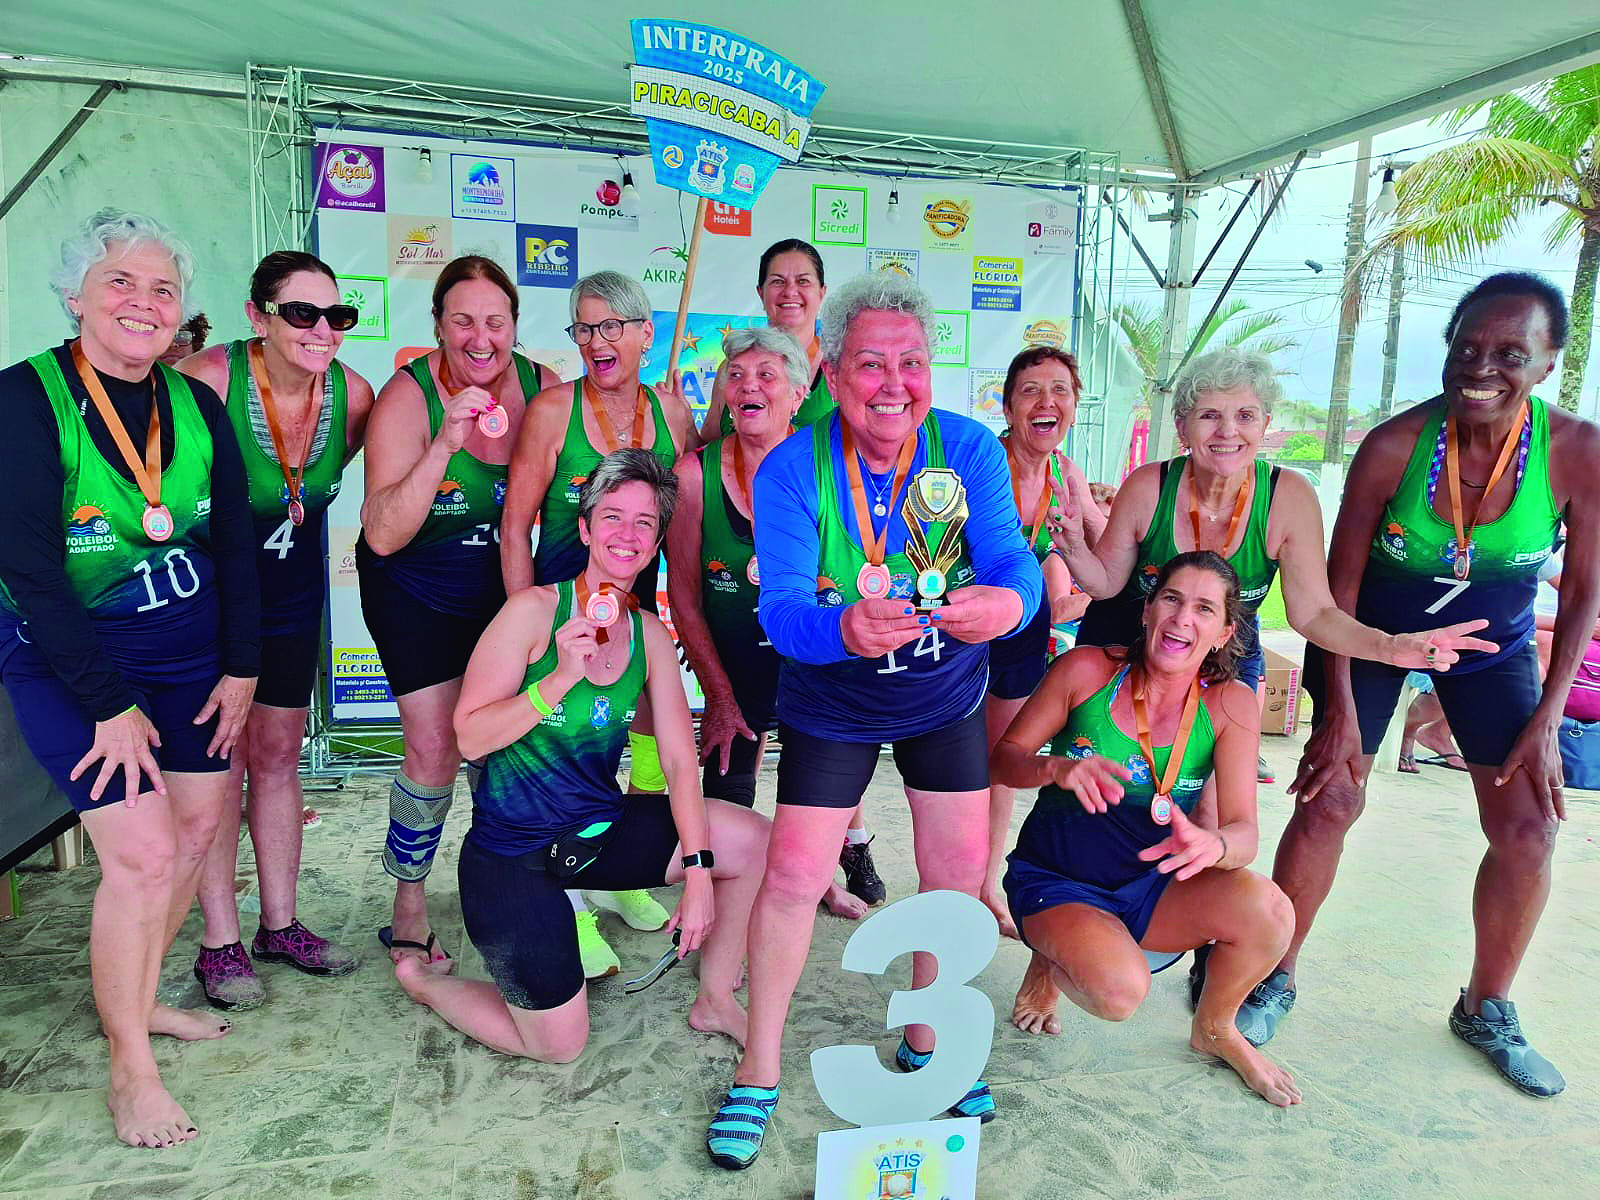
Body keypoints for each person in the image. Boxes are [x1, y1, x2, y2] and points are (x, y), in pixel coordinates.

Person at [706, 274, 1043, 1170]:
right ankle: (759, 1068)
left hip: (945, 696)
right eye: (869, 364)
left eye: (911, 362)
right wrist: (843, 629)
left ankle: (930, 1047)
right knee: (792, 878)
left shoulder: (967, 448)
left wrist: (1008, 605)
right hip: (833, 699)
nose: (893, 383)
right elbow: (781, 612)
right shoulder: (793, 467)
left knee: (954, 878)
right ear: (831, 371)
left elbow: (1014, 562)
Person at [1274, 273, 1600, 1097]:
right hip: (1374, 638)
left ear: (1548, 364)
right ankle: (1267, 973)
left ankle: (1486, 1007)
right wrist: (1338, 716)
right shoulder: (1395, 445)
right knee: (1330, 798)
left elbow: (1585, 591)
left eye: (1511, 354)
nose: (1482, 367)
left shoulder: (1577, 452)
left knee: (1529, 827)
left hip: (1493, 650)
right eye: (1467, 348)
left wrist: (1547, 719)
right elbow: (1338, 589)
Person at [0, 209, 259, 1147]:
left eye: (163, 288)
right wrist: (107, 703)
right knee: (143, 855)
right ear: (75, 296)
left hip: (189, 655)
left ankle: (140, 999)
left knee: (192, 838)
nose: (143, 303)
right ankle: (129, 1070)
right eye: (120, 281)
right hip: (68, 658)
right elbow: (30, 572)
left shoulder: (196, 405)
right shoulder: (24, 399)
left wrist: (242, 666)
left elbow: (234, 541)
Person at [397, 449, 770, 1063]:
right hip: (511, 856)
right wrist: (558, 679)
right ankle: (425, 982)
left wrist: (700, 875)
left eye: (645, 522)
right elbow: (470, 738)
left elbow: (680, 765)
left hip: (597, 831)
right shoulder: (532, 612)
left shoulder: (650, 635)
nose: (628, 534)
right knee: (559, 1046)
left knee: (753, 840)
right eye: (613, 517)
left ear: (656, 543)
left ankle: (715, 998)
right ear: (587, 528)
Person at [1053, 347, 1493, 782]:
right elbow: (1106, 584)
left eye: (1245, 415)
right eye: (1209, 415)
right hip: (1128, 642)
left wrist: (1391, 648)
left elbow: (1314, 614)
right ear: (1182, 426)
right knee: (1096, 785)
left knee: (1213, 795)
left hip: (1223, 651)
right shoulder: (1149, 485)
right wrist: (1072, 546)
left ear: (1265, 424)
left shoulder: (1288, 496)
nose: (1228, 431)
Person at [991, 552, 1301, 1106]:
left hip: (1154, 884)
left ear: (1224, 633)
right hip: (1059, 880)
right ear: (1147, 611)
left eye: (1204, 609)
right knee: (1118, 994)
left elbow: (1245, 835)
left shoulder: (1231, 704)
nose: (1183, 618)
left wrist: (1213, 844)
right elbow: (1002, 760)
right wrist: (1056, 769)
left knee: (1272, 912)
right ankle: (1052, 955)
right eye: (1172, 599)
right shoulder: (1086, 671)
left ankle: (1215, 1029)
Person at [178, 252, 375, 1008]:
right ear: (258, 317)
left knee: (279, 755)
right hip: (213, 600)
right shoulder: (208, 380)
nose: (322, 329)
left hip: (292, 595)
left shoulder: (352, 394)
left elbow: (324, 485)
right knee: (218, 763)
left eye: (337, 315)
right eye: (301, 313)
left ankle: (280, 925)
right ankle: (219, 940)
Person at [501, 271, 699, 977]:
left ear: (646, 334)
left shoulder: (672, 412)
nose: (596, 340)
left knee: (647, 747)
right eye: (583, 327)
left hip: (636, 623)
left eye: (611, 325)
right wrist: (527, 628)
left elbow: (682, 525)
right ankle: (571, 902)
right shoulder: (553, 409)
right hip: (564, 617)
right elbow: (514, 525)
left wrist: (680, 618)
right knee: (569, 755)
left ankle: (617, 874)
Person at [357, 255, 544, 974]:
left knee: (507, 743)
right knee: (435, 747)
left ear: (514, 326)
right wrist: (444, 447)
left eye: (495, 322)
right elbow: (381, 533)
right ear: (437, 325)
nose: (480, 338)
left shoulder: (540, 388)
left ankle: (506, 887)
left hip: (500, 587)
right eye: (463, 321)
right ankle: (408, 900)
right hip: (415, 587)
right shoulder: (407, 398)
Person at [664, 326, 867, 918]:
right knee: (727, 794)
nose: (748, 386)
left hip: (810, 668)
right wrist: (718, 696)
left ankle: (820, 881)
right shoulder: (694, 474)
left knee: (814, 796)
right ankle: (720, 908)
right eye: (736, 375)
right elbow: (684, 595)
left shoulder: (831, 467)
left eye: (766, 375)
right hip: (732, 670)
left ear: (799, 394)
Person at [981, 346, 1103, 938]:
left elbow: (1112, 550)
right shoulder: (983, 461)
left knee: (1002, 759)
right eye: (1030, 391)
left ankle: (984, 885)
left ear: (1074, 407)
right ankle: (949, 883)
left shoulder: (1066, 474)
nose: (1046, 402)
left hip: (1022, 626)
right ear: (1007, 408)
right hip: (960, 620)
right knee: (949, 763)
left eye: (1060, 391)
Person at [698, 238, 836, 440]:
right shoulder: (731, 369)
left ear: (822, 292)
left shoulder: (839, 369)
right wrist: (681, 423)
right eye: (778, 281)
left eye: (803, 281)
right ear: (761, 292)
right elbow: (709, 445)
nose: (790, 291)